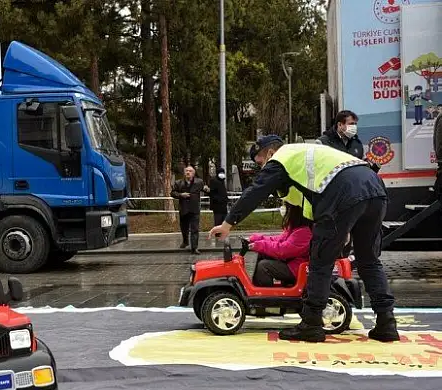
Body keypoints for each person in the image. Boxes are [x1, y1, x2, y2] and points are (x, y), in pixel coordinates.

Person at [208, 134, 398, 343]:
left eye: (260, 161)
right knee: (369, 261)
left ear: (270, 152)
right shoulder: (312, 164)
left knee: (319, 263)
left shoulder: (282, 158)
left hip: (344, 191)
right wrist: (341, 233)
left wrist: (227, 224)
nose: (262, 168)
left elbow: (256, 192)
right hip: (374, 186)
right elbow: (315, 220)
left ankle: (311, 324)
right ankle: (386, 324)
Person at [249, 203, 312, 287]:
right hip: (292, 263)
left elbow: (282, 250)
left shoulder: (304, 232)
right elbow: (279, 240)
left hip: (296, 268)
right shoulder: (296, 229)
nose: (284, 210)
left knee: (263, 266)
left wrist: (259, 245)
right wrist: (258, 239)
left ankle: (266, 296)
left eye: (287, 208)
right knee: (262, 255)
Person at [170, 166, 207, 254]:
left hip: (194, 209)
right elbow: (172, 193)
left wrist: (207, 189)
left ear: (193, 173)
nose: (188, 172)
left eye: (190, 171)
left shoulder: (199, 182)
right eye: (186, 171)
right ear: (184, 173)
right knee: (184, 228)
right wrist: (181, 195)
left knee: (195, 229)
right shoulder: (178, 183)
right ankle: (185, 241)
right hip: (184, 209)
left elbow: (205, 189)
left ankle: (194, 248)